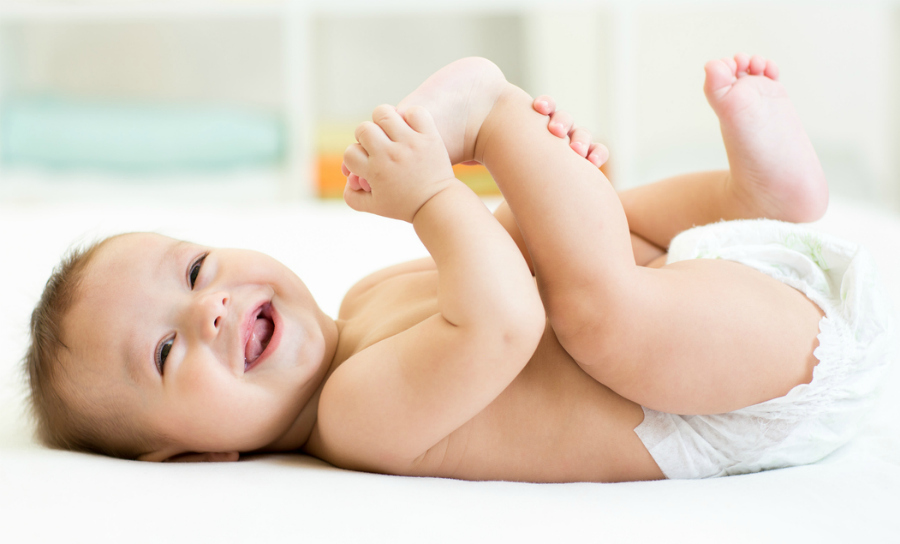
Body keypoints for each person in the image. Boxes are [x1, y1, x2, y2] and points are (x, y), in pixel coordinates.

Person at [25, 55, 893, 481]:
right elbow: (506, 324)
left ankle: (752, 199)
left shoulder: (364, 298)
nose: (207, 312)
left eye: (195, 271)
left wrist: (548, 189)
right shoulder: (351, 418)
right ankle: (489, 107)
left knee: (604, 236)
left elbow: (509, 254)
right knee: (603, 319)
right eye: (166, 354)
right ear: (193, 457)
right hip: (733, 400)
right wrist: (446, 187)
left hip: (714, 299)